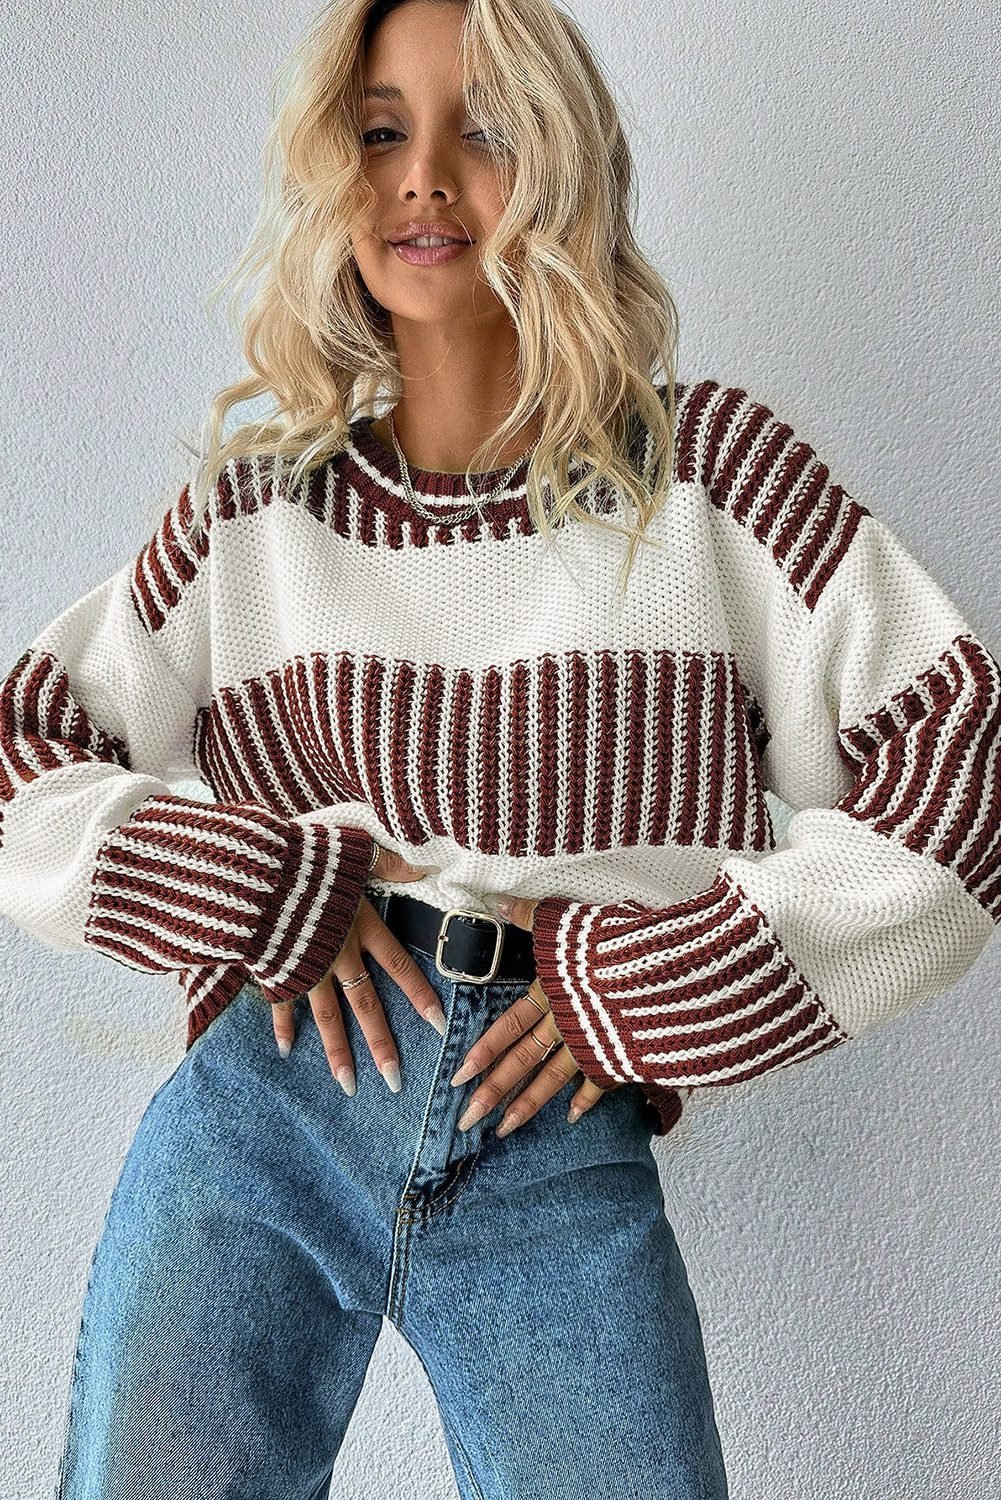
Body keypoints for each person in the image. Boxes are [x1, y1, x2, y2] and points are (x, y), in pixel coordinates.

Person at [2, 0, 998, 1496]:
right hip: (273, 1106)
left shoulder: (711, 477)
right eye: (379, 131)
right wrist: (258, 890)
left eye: (483, 129)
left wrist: (646, 987)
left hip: (556, 1123)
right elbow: (23, 750)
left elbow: (958, 775)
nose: (423, 174)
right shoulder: (257, 514)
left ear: (562, 166)